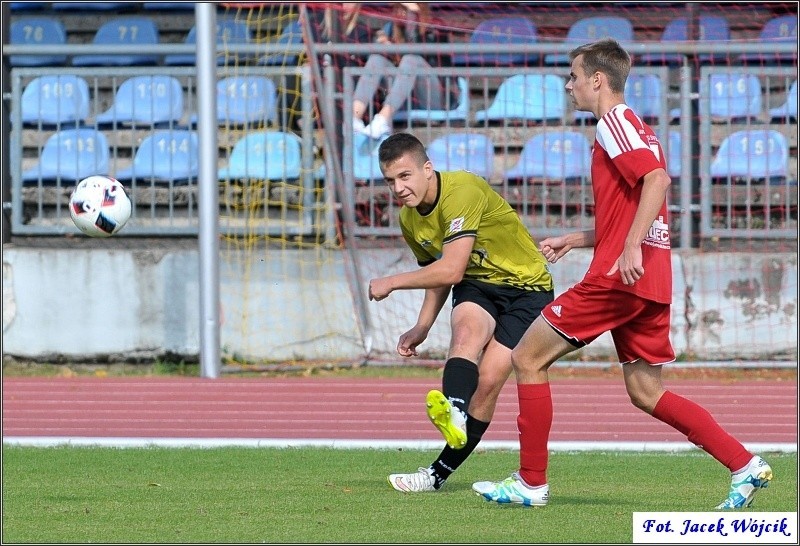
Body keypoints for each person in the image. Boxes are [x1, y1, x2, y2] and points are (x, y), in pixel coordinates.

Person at [472, 38, 773, 509]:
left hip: (619, 276)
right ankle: (744, 464)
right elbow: (634, 206)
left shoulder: (613, 122)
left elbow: (657, 181)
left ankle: (531, 483)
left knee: (527, 358)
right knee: (646, 391)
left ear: (597, 79)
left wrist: (627, 247)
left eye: (573, 76)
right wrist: (580, 237)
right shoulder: (637, 127)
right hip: (649, 278)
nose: (569, 86)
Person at [368, 132, 554, 493]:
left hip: (526, 290)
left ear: (427, 169)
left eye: (405, 176)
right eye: (390, 180)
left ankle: (437, 473)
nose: (398, 188)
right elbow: (438, 275)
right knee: (466, 335)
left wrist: (391, 281)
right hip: (478, 284)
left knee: (486, 383)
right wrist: (422, 325)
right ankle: (454, 410)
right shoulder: (409, 219)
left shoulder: (463, 190)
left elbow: (449, 270)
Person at [353, 3, 459, 139]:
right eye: (400, 8)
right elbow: (370, 57)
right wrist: (383, 46)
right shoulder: (391, 29)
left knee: (411, 59)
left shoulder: (435, 28)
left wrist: (413, 22)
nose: (403, 13)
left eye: (408, 10)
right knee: (375, 59)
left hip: (434, 97)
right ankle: (353, 119)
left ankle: (382, 120)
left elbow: (426, 57)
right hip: (404, 96)